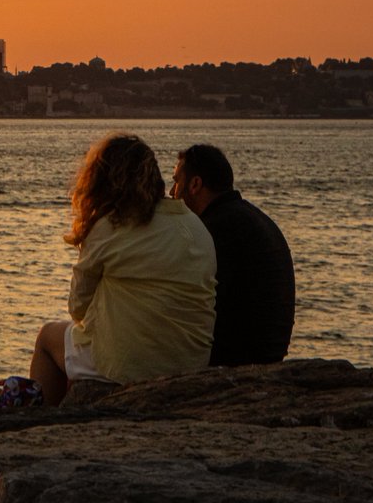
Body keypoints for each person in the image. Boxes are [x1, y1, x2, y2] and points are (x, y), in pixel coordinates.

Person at [30, 134, 217, 405]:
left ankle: (44, 423)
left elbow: (77, 308)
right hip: (190, 361)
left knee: (48, 337)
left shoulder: (110, 226)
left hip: (130, 367)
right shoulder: (196, 226)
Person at [171, 145, 295, 366]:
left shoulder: (214, 230)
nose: (172, 192)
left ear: (195, 184)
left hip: (237, 356)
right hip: (269, 352)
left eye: (176, 181)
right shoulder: (250, 217)